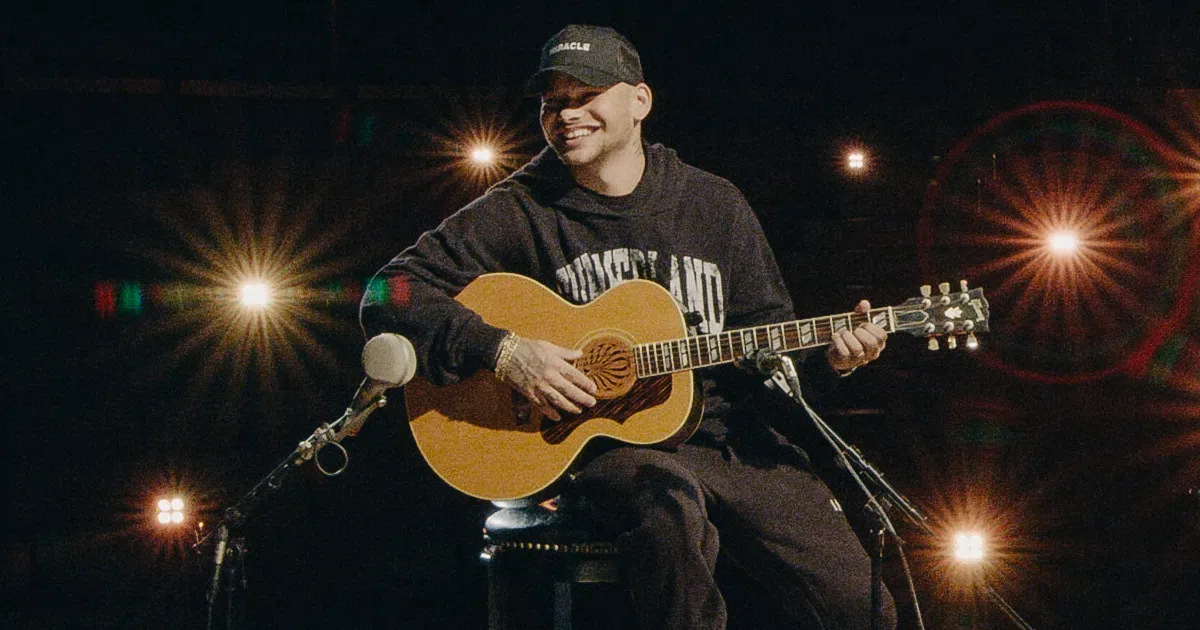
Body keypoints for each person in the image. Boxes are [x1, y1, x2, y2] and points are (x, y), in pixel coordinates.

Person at [361, 24, 896, 629]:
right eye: (552, 102)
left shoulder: (713, 205)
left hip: (733, 441)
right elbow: (386, 290)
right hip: (614, 450)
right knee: (668, 515)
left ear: (640, 101)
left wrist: (831, 362)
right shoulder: (521, 207)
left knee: (861, 603)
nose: (567, 114)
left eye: (586, 95)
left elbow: (769, 345)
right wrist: (505, 352)